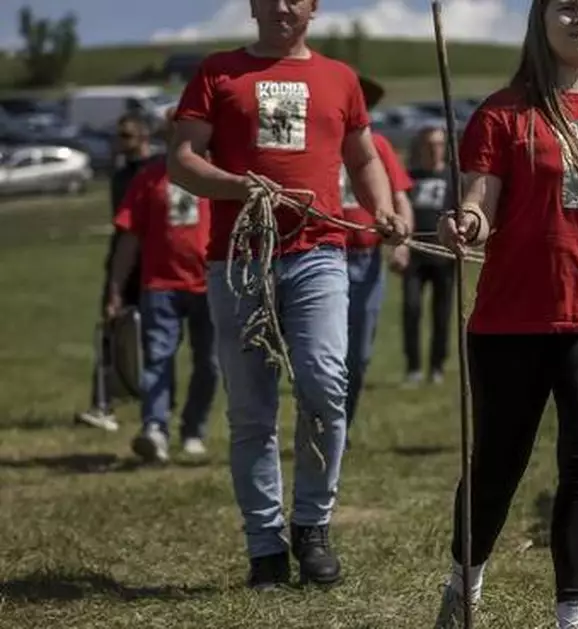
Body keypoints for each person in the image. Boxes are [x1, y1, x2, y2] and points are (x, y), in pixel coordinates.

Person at [168, 0, 406, 590]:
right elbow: (181, 161)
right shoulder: (218, 72)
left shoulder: (340, 78)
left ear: (313, 7)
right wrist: (236, 185)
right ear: (253, 6)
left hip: (320, 253)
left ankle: (313, 525)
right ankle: (264, 546)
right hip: (238, 260)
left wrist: (384, 210)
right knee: (251, 408)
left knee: (326, 382)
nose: (282, 5)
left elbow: (364, 155)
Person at [431, 1, 578, 627]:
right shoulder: (502, 113)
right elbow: (480, 198)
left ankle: (575, 616)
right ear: (540, 21)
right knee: (499, 462)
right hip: (512, 318)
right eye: (567, 8)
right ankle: (464, 579)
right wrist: (468, 221)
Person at [106, 109, 219, 463]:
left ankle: (193, 429)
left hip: (210, 284)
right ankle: (155, 429)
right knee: (157, 358)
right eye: (175, 129)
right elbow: (129, 238)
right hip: (160, 285)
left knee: (210, 363)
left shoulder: (218, 175)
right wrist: (115, 288)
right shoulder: (148, 178)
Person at [341, 75, 415, 441]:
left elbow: (400, 199)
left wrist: (401, 243)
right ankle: (318, 421)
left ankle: (339, 426)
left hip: (365, 261)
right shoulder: (318, 146)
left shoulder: (380, 146)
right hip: (320, 256)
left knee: (358, 356)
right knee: (318, 355)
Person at [76, 113, 157, 432]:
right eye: (118, 136)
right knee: (110, 331)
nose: (119, 142)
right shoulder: (120, 175)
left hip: (152, 264)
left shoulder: (156, 171)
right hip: (122, 261)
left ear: (144, 137)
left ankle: (154, 406)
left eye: (126, 136)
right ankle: (102, 403)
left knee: (155, 341)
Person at [400, 124, 455, 387]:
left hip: (445, 257)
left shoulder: (454, 178)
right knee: (411, 310)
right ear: (421, 146)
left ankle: (436, 366)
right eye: (430, 144)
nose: (435, 149)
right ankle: (413, 368)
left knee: (442, 313)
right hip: (415, 256)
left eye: (439, 144)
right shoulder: (409, 177)